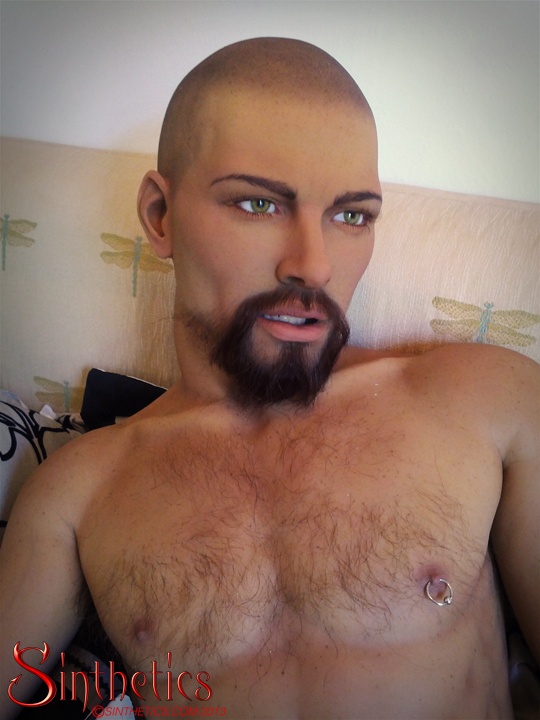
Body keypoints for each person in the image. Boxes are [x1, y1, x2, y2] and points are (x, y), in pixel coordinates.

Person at [1, 37, 538, 720]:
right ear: (160, 217)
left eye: (351, 215)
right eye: (259, 205)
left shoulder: (485, 400)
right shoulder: (78, 492)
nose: (313, 265)